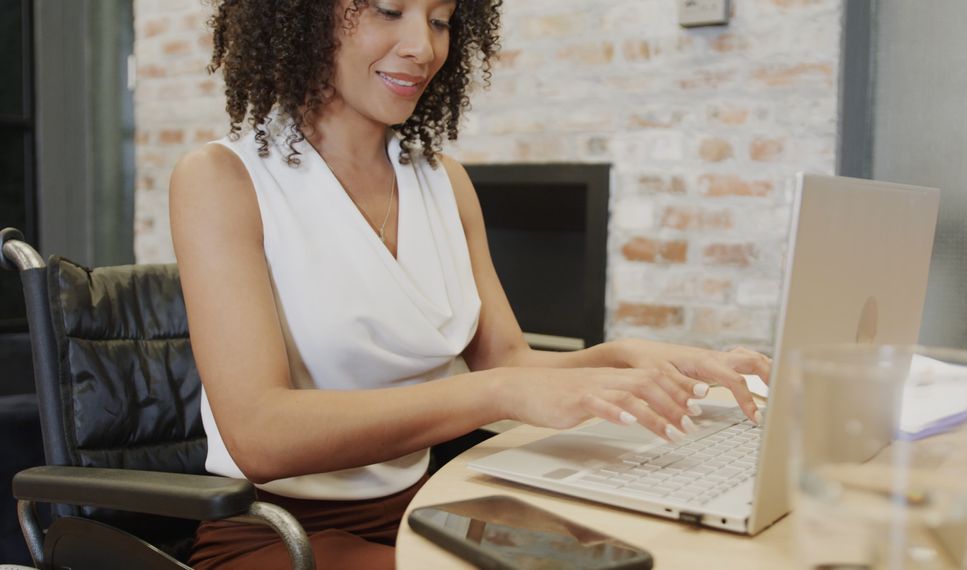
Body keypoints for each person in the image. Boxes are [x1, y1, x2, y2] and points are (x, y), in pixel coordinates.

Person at [169, 0, 772, 567]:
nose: (423, 47)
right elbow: (260, 435)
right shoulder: (223, 180)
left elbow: (505, 363)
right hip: (280, 534)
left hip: (429, 506)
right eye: (389, 10)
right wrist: (495, 394)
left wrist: (629, 360)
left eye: (441, 20)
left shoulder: (443, 182)